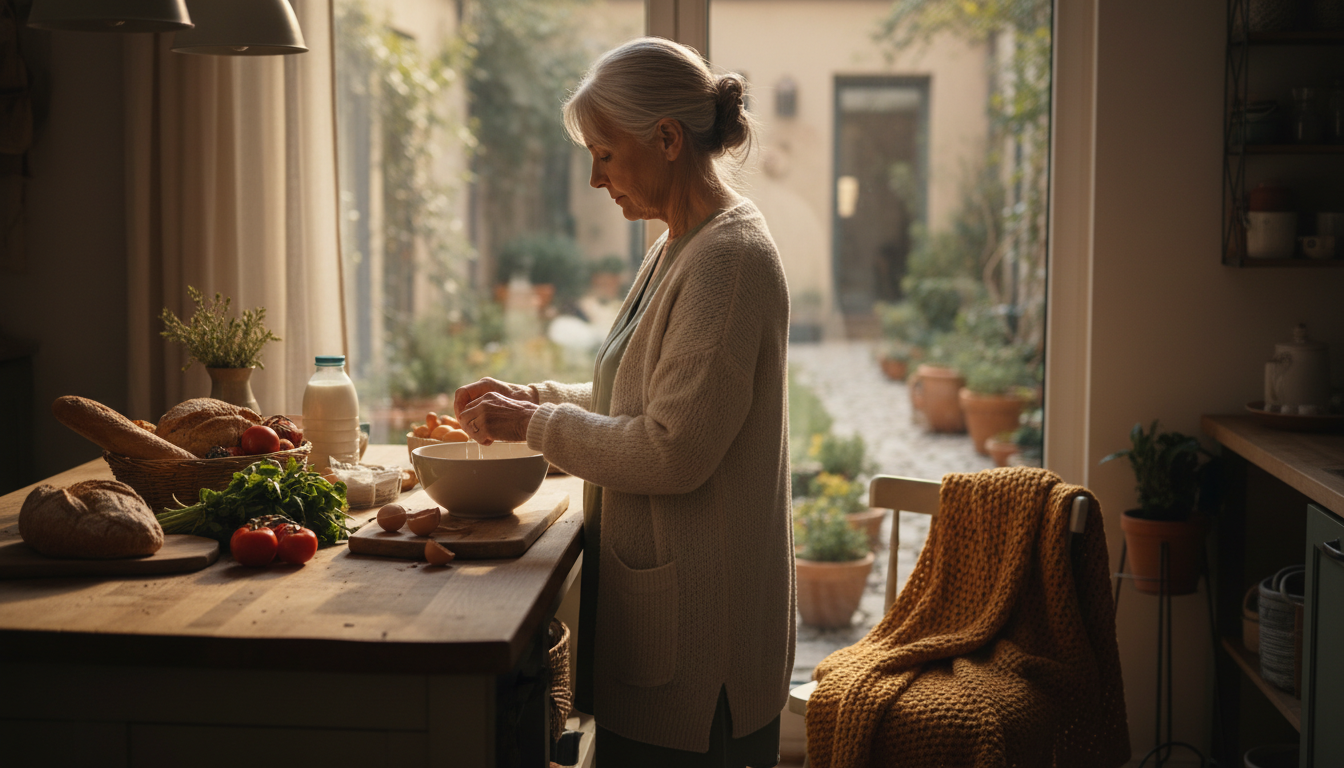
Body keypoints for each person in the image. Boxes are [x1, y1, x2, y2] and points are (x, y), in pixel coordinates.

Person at [454, 36, 794, 767]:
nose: (594, 179)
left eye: (605, 154)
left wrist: (537, 424)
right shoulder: (679, 243)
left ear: (667, 139)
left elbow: (674, 449)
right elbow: (638, 394)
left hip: (705, 652)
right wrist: (533, 398)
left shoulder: (727, 261)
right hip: (669, 626)